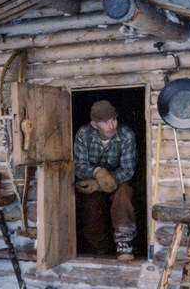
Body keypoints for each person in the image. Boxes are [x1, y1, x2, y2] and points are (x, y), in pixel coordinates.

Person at [74, 100, 137, 261]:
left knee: (123, 192)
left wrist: (103, 183)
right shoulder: (83, 134)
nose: (112, 125)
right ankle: (98, 247)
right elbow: (79, 166)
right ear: (94, 124)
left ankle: (124, 242)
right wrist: (97, 172)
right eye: (105, 122)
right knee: (91, 202)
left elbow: (128, 170)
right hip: (92, 180)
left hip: (118, 178)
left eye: (114, 119)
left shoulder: (126, 135)